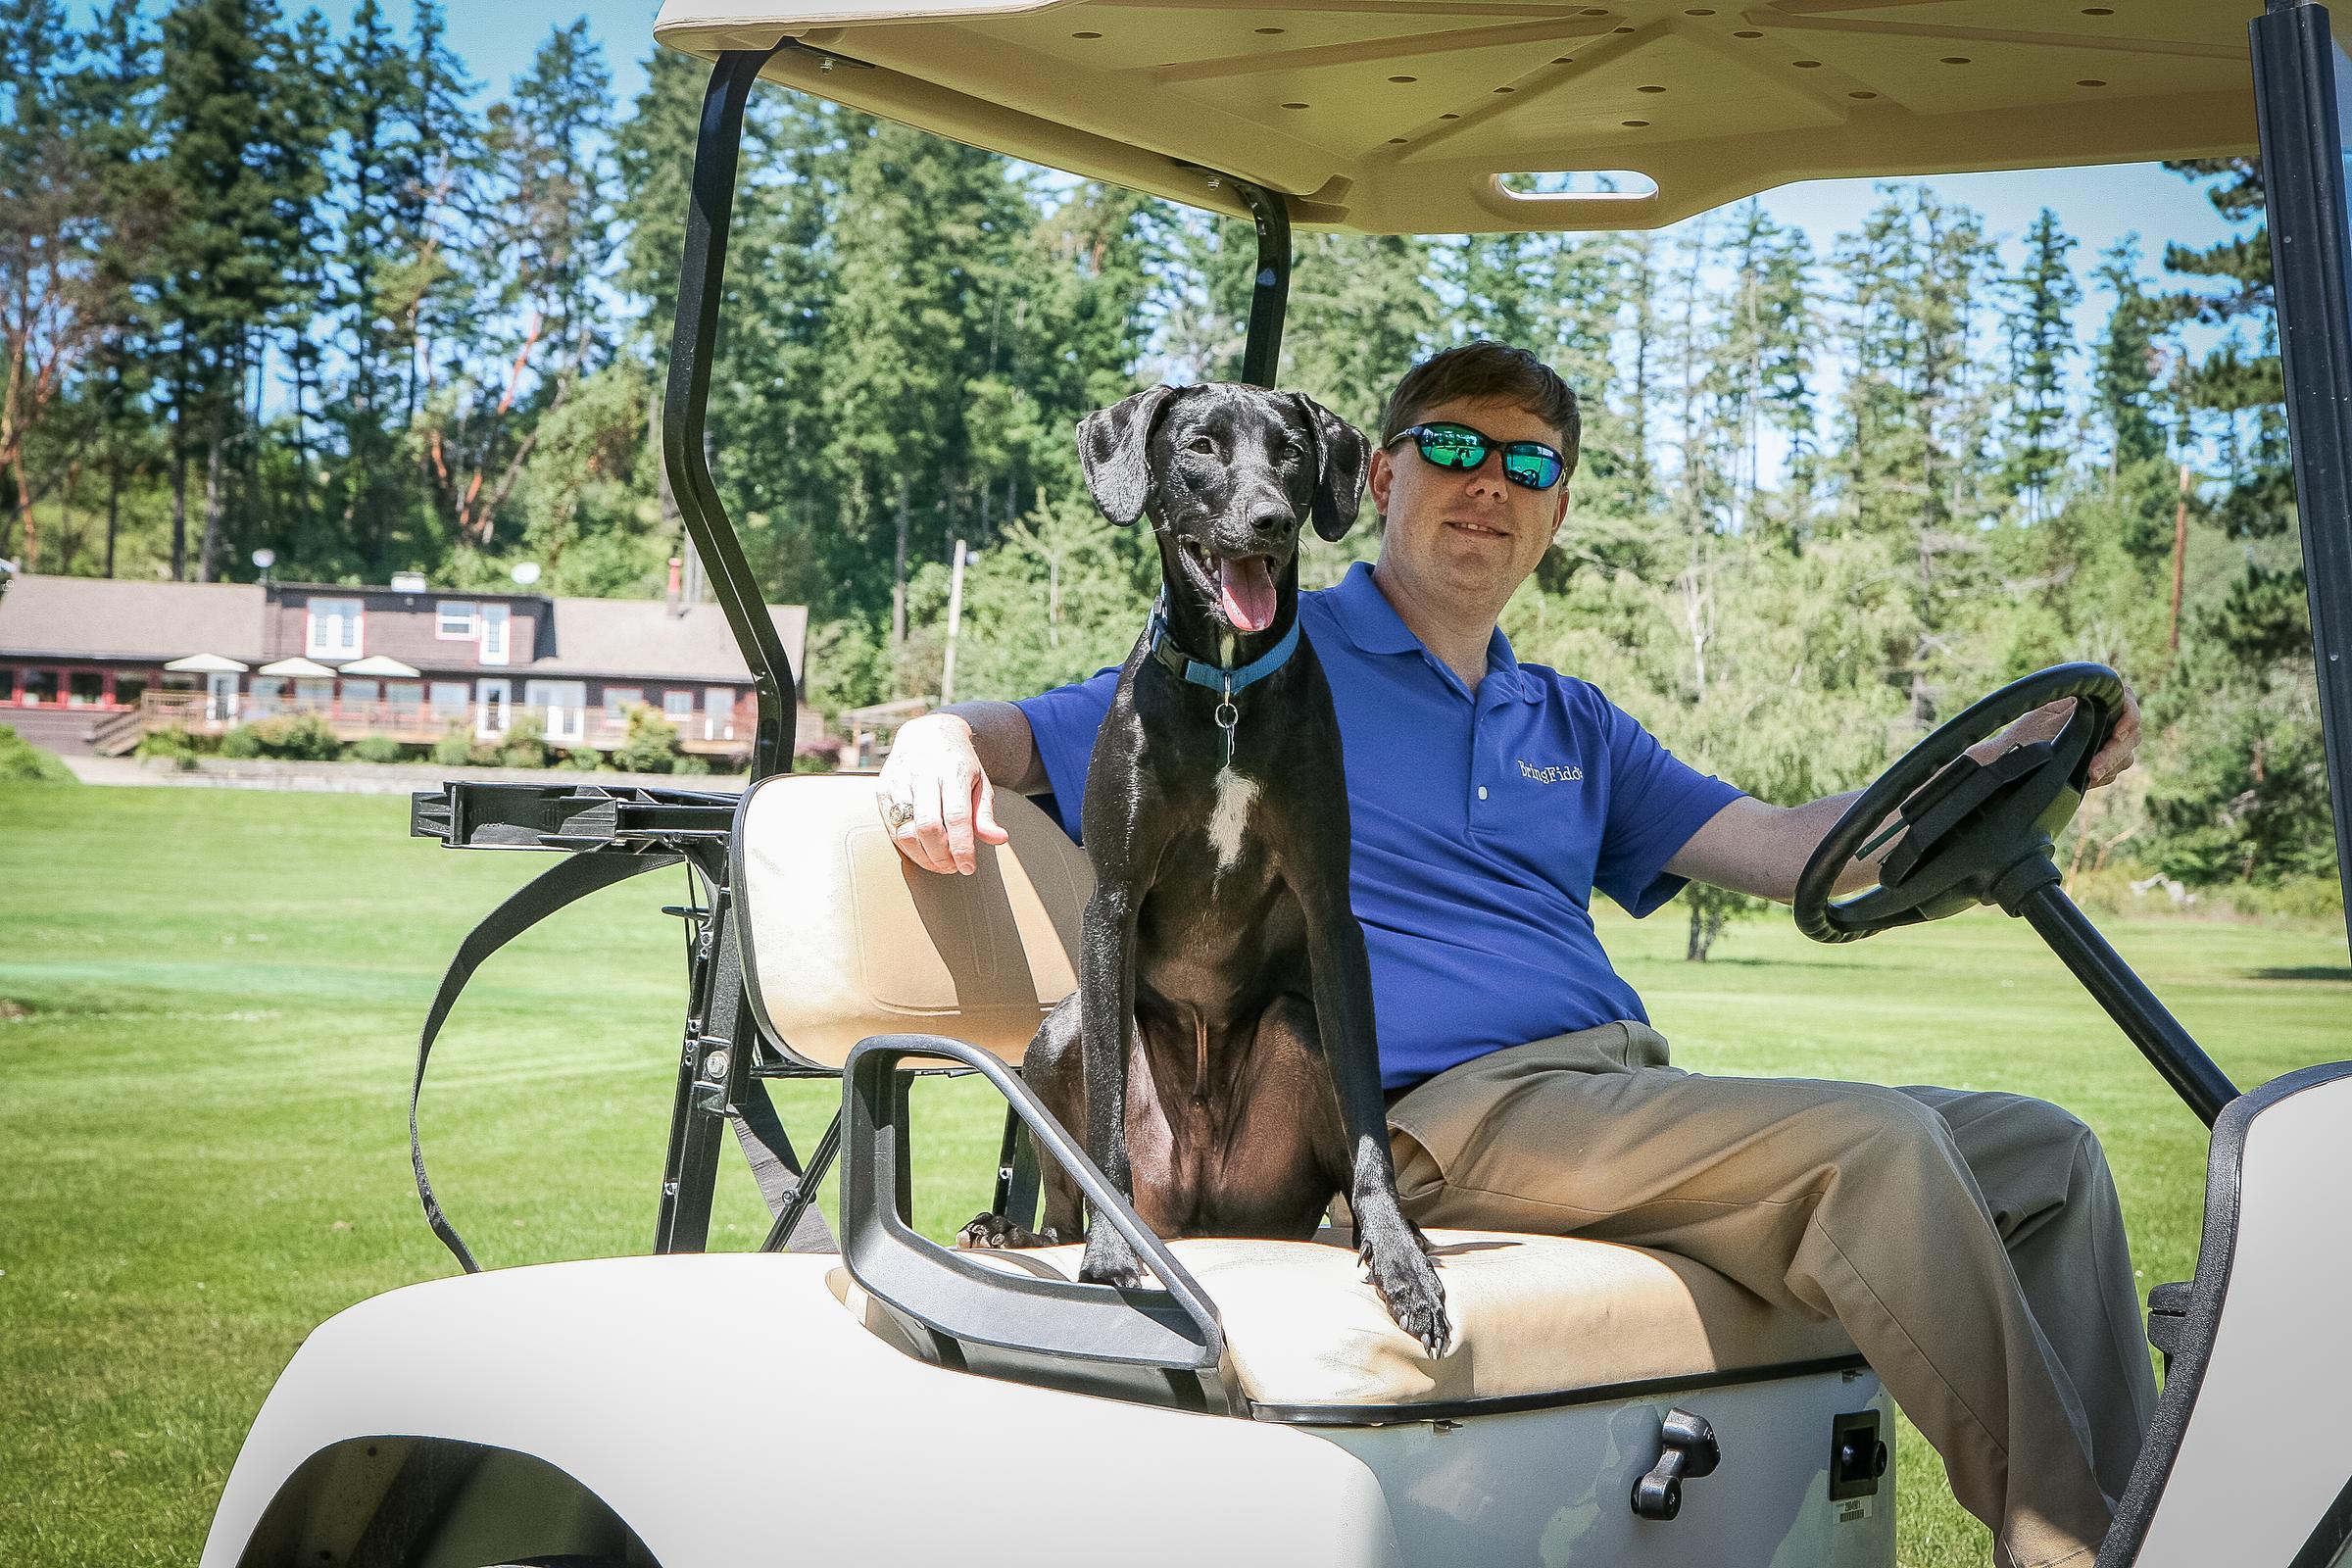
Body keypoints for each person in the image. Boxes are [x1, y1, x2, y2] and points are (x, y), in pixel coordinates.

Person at [875, 341, 2156, 1568]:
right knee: (1876, 1146)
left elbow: (1782, 843)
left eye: (1531, 466)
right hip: (1457, 1112)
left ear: (1558, 512)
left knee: (2043, 1155)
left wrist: (1994, 769)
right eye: (1452, 448)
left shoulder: (1572, 721)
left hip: (1615, 1096)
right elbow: (1036, 733)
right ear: (1381, 478)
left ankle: (2164, 1520)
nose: (1491, 483)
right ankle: (2079, 1548)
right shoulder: (1267, 652)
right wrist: (939, 737)